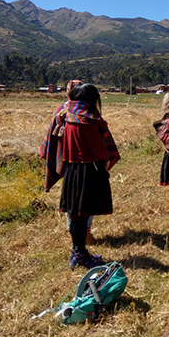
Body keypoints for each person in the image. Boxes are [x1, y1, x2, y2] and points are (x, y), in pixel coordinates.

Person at [41, 83, 120, 268]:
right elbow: (100, 151)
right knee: (81, 215)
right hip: (88, 171)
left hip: (71, 170)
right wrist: (106, 156)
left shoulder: (65, 115)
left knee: (76, 214)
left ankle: (78, 253)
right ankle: (79, 254)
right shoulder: (88, 120)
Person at [40, 79, 97, 246]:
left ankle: (77, 232)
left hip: (66, 160)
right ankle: (83, 233)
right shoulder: (85, 111)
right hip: (82, 161)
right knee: (84, 199)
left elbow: (51, 134)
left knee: (72, 198)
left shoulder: (61, 110)